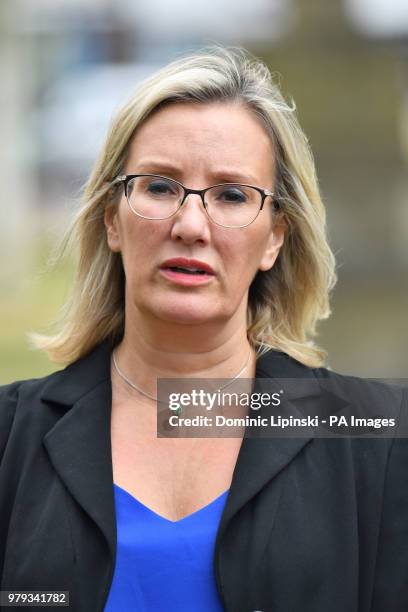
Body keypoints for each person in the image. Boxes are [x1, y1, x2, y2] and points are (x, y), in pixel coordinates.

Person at [0, 46, 407, 612]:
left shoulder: (383, 443)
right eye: (160, 187)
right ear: (112, 218)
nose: (191, 225)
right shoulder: (9, 439)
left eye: (232, 195)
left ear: (275, 238)